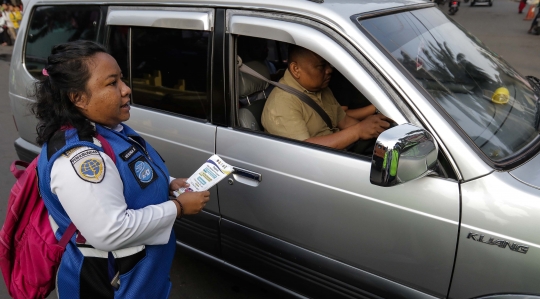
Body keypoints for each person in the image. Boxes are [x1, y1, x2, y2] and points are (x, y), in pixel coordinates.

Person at [32, 40, 210, 298]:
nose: (126, 90)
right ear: (78, 98)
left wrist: (168, 183)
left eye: (122, 80)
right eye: (112, 83)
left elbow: (126, 171)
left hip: (139, 279)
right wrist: (179, 208)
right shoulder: (80, 158)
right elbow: (111, 231)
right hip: (111, 285)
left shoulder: (106, 129)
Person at [261, 45, 391, 152]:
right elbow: (304, 150)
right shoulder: (282, 102)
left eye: (329, 64)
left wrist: (375, 128)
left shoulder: (321, 89)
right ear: (296, 69)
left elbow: (343, 121)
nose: (329, 70)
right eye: (321, 66)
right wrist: (357, 131)